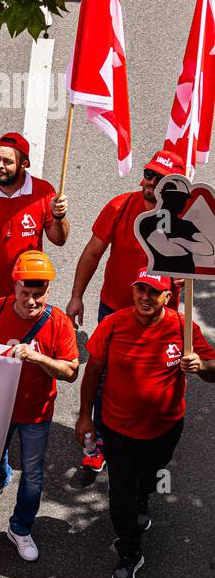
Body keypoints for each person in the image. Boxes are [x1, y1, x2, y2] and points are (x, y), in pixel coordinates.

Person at [77, 270, 215, 578]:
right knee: (120, 495)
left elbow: (213, 370)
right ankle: (129, 551)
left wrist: (200, 366)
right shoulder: (113, 324)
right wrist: (85, 417)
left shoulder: (183, 329)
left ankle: (142, 501)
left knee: (150, 478)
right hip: (118, 430)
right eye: (140, 290)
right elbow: (93, 371)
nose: (145, 297)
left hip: (165, 430)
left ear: (167, 297)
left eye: (153, 292)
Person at [66, 149, 185, 473]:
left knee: (153, 379)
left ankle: (149, 439)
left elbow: (201, 269)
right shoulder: (120, 207)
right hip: (115, 310)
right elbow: (92, 253)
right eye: (149, 174)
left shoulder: (185, 220)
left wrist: (186, 281)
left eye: (160, 180)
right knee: (105, 377)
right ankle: (102, 440)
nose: (150, 183)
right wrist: (76, 296)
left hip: (161, 318)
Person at [0, 251, 80, 561]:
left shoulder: (58, 322)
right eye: (25, 293)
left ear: (48, 290)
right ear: (14, 285)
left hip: (36, 413)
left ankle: (19, 528)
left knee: (33, 475)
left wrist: (38, 358)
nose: (31, 301)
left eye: (38, 294)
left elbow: (71, 372)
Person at [0, 132, 69, 322]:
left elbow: (59, 239)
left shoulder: (44, 192)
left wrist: (59, 217)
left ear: (23, 165)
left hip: (28, 293)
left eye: (7, 161)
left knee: (23, 348)